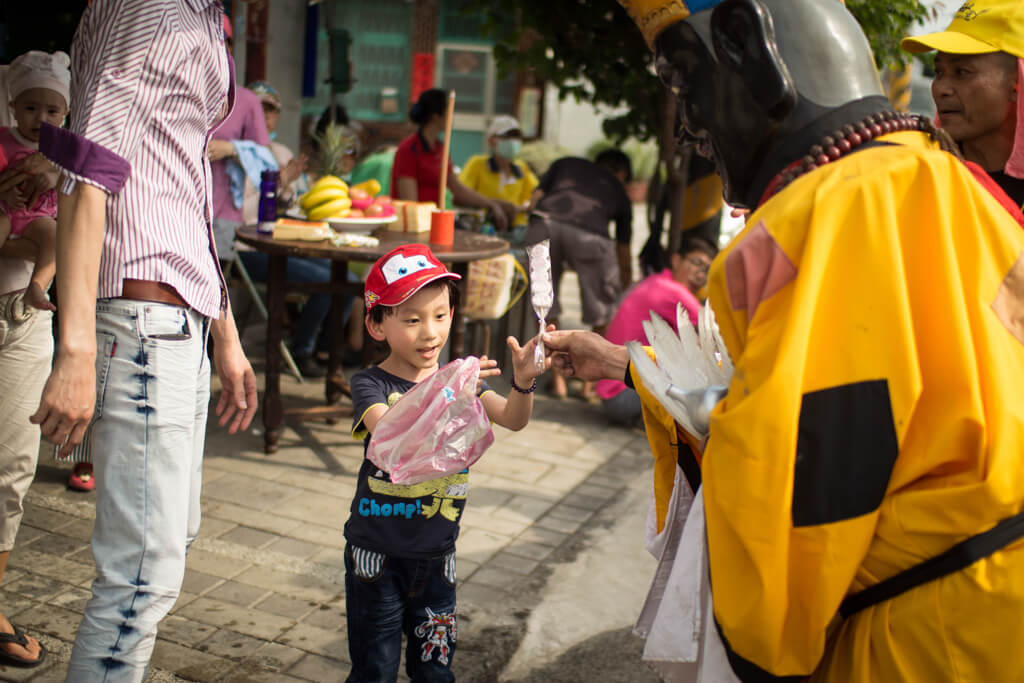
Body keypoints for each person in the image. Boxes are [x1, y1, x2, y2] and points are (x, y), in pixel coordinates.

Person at [545, 0, 1024, 680]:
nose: (685, 125)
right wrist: (634, 368)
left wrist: (760, 647)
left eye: (684, 82)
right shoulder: (950, 184)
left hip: (922, 641)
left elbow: (799, 473)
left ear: (746, 45)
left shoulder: (825, 213)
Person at [32, 1, 259, 679]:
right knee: (139, 579)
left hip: (178, 313)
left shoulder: (197, 15)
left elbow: (182, 179)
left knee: (166, 549)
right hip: (140, 320)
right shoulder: (153, 9)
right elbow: (84, 172)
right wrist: (71, 350)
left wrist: (226, 327)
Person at [344, 244, 546, 682]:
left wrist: (523, 382)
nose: (429, 332)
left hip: (437, 555)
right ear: (376, 325)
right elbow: (390, 437)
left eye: (440, 315)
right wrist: (448, 391)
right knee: (374, 669)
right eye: (412, 319)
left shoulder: (460, 383)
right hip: (376, 551)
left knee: (435, 671)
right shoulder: (371, 384)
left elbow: (512, 419)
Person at [236, 81, 331, 378]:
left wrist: (287, 186)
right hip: (247, 249)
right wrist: (279, 182)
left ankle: (325, 350)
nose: (265, 115)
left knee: (347, 278)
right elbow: (242, 216)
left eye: (271, 109)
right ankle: (303, 351)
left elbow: (290, 208)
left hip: (285, 241)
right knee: (326, 281)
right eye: (258, 107)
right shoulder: (232, 151)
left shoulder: (280, 151)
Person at [530, 148, 633, 398]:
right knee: (601, 309)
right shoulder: (617, 188)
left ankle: (558, 383)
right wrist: (622, 285)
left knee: (543, 302)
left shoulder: (566, 163)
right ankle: (589, 386)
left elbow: (535, 197)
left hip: (542, 224)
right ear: (621, 173)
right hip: (590, 234)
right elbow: (623, 248)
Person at [903, 0, 1024, 209]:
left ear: (1017, 82)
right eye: (939, 72)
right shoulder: (912, 173)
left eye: (962, 72)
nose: (941, 88)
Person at [595, 236, 716, 428]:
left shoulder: (654, 280)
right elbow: (718, 329)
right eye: (696, 263)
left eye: (706, 270)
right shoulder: (675, 292)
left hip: (611, 390)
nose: (700, 274)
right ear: (676, 260)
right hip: (622, 396)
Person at [0, 50, 70, 313]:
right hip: (6, 212)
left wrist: (53, 175)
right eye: (30, 108)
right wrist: (4, 196)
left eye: (51, 111)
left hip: (37, 219)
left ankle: (37, 286)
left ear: (65, 113)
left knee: (55, 238)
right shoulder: (4, 140)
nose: (41, 118)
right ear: (13, 109)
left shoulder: (63, 148)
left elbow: (75, 180)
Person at [391, 88, 514, 230]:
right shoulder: (408, 150)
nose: (452, 117)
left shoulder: (440, 148)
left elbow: (456, 188)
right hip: (415, 226)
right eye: (448, 112)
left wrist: (491, 203)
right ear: (436, 116)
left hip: (435, 222)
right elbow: (410, 203)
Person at [207, 15, 273, 266]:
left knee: (216, 287)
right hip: (178, 205)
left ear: (231, 47)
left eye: (223, 41)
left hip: (222, 212)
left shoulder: (246, 101)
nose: (217, 48)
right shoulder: (182, 91)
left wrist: (232, 148)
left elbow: (266, 160)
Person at [458, 114, 539, 231]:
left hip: (516, 231)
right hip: (482, 229)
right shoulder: (477, 164)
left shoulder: (522, 169)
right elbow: (460, 197)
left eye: (516, 136)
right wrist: (494, 204)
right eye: (507, 136)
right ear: (491, 141)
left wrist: (516, 209)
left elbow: (536, 197)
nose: (512, 141)